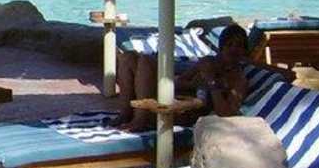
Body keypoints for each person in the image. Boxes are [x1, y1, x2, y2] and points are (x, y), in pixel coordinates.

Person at [117, 24, 279, 131]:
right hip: (171, 97)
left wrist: (211, 82)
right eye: (229, 45)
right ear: (221, 47)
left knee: (146, 60)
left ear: (244, 51)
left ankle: (141, 119)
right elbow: (178, 83)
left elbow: (226, 113)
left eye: (239, 46)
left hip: (182, 113)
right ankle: (125, 112)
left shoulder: (238, 79)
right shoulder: (208, 61)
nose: (233, 49)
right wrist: (194, 84)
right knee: (128, 57)